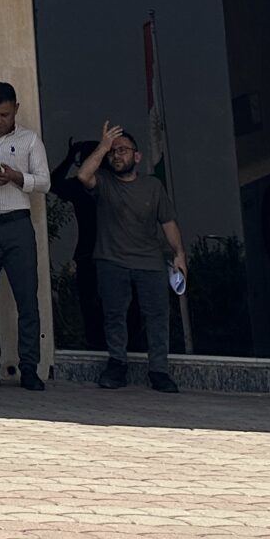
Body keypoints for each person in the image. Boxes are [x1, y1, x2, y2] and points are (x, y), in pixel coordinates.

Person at [75, 120, 189, 393]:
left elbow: (168, 222)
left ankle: (159, 371)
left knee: (157, 316)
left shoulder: (153, 186)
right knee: (114, 315)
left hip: (151, 262)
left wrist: (179, 254)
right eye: (113, 152)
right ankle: (117, 366)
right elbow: (83, 175)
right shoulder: (104, 182)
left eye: (123, 150)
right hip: (111, 261)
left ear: (137, 156)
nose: (117, 155)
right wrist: (102, 147)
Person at [0, 81, 52, 391]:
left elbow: (44, 182)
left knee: (27, 299)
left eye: (4, 114)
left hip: (17, 223)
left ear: (16, 109)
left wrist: (15, 177)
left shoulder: (29, 139)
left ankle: (29, 367)